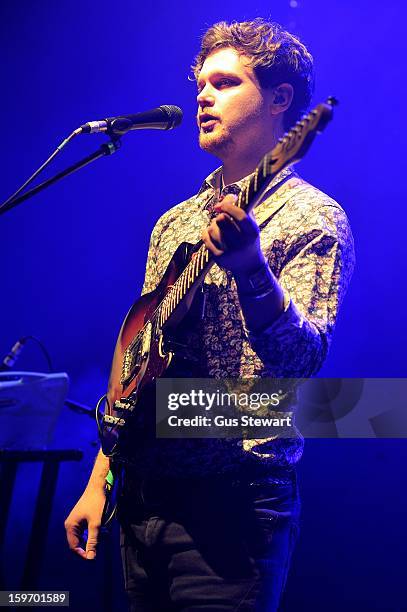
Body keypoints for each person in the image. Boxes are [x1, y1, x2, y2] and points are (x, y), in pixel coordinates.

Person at [65, 18, 355, 611]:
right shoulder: (174, 223)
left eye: (224, 82)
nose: (202, 94)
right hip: (144, 504)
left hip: (234, 513)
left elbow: (299, 367)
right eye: (201, 83)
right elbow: (135, 372)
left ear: (280, 103)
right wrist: (101, 482)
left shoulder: (312, 218)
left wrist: (252, 268)